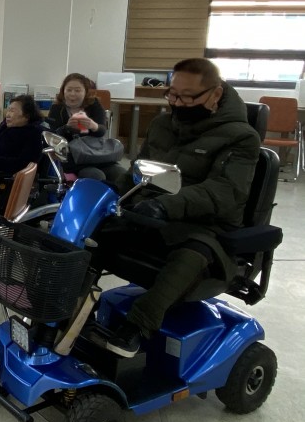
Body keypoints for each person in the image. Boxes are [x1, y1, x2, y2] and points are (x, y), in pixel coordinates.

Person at [95, 58, 260, 358]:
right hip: (154, 215)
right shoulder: (161, 125)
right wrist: (110, 195)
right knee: (93, 233)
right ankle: (69, 305)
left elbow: (224, 191)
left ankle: (138, 326)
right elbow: (139, 171)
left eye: (187, 97)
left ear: (215, 94)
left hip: (206, 227)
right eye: (172, 94)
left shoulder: (242, 137)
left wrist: (165, 205)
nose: (178, 103)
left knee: (191, 255)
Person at [46, 72, 122, 181]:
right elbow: (52, 137)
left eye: (77, 90)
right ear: (63, 91)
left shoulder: (94, 104)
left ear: (85, 91)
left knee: (121, 174)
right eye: (69, 90)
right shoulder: (57, 108)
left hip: (97, 154)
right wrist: (67, 128)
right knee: (97, 176)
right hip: (74, 159)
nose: (72, 94)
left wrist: (93, 126)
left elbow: (102, 131)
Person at [0, 94, 44, 189]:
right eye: (8, 110)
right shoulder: (5, 126)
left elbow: (24, 163)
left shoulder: (33, 133)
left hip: (1, 180)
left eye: (12, 111)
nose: (7, 114)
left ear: (27, 116)